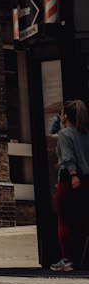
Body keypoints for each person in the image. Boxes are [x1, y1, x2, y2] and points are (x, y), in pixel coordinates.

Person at [52, 99, 89, 272]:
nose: (59, 116)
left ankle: (67, 260)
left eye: (61, 113)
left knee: (64, 221)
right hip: (86, 180)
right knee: (83, 219)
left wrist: (72, 175)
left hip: (69, 179)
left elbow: (67, 157)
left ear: (66, 115)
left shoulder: (65, 134)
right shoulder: (85, 134)